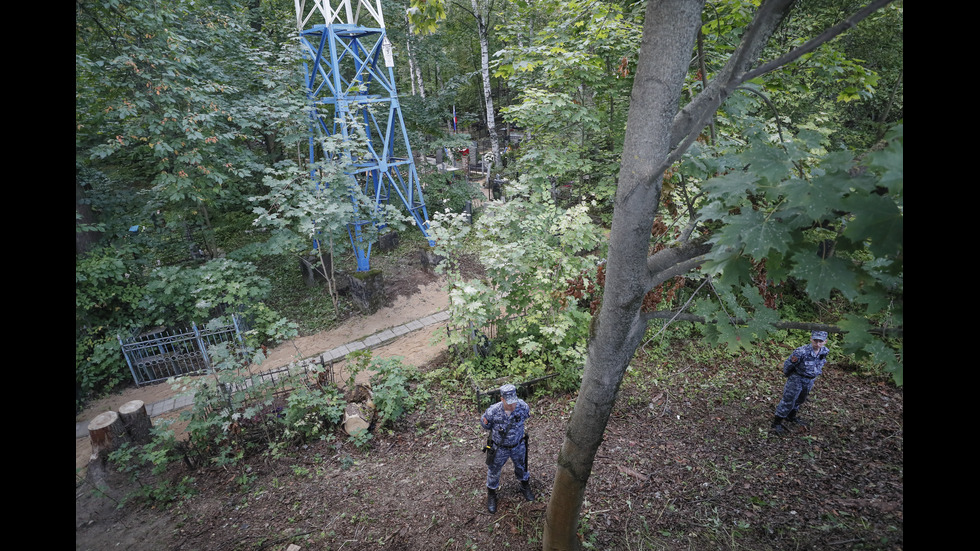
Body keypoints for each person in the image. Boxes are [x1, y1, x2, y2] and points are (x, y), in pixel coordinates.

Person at [481, 384, 534, 513]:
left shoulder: (522, 406)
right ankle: (492, 493)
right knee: (494, 470)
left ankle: (524, 485)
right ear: (502, 399)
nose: (512, 406)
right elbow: (485, 424)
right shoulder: (492, 411)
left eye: (513, 402)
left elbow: (526, 416)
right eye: (509, 403)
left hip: (518, 445)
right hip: (500, 448)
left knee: (522, 466)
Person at [771, 330, 830, 435]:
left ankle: (791, 416)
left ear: (825, 341)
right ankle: (777, 422)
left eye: (820, 341)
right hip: (797, 378)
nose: (817, 344)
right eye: (815, 340)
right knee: (789, 399)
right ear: (811, 339)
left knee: (801, 399)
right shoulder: (801, 351)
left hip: (810, 379)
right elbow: (789, 364)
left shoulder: (824, 351)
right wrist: (789, 376)